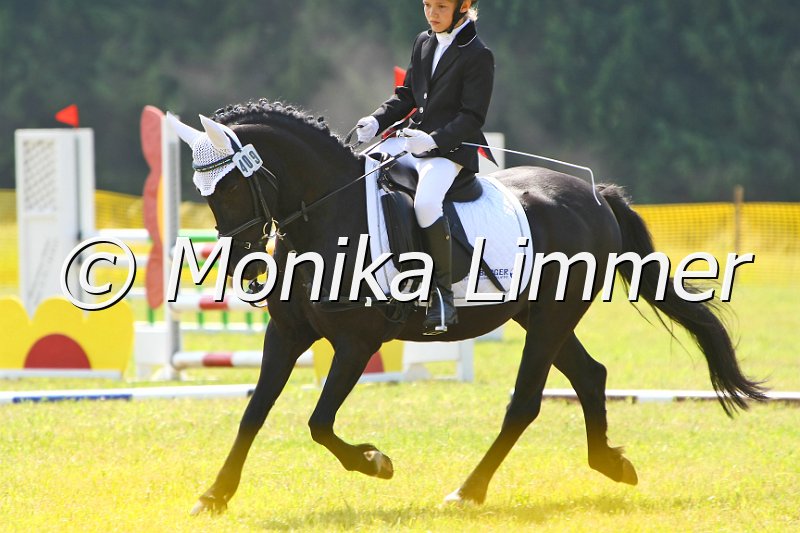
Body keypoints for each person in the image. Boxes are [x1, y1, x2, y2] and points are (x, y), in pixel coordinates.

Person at [355, 0, 494, 335]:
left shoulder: (478, 55)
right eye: (427, 5)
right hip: (413, 142)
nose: (432, 13)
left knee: (427, 203)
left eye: (441, 7)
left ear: (464, 7)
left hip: (451, 150)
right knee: (364, 175)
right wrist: (375, 120)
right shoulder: (424, 41)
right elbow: (407, 97)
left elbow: (472, 117)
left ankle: (443, 296)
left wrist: (433, 141)